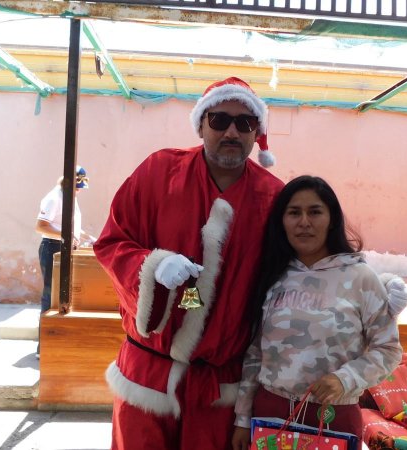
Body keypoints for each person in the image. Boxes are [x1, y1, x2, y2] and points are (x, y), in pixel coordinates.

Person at [92, 77, 285, 449]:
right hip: (147, 378)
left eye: (245, 123)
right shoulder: (157, 172)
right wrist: (151, 266)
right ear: (201, 125)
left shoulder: (274, 198)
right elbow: (111, 243)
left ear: (257, 133)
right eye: (219, 120)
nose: (232, 131)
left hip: (220, 389)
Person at [231, 175, 407, 450]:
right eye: (294, 213)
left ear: (332, 219)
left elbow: (388, 350)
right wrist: (242, 419)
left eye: (315, 212)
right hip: (270, 415)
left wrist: (344, 379)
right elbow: (255, 353)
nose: (304, 222)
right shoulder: (273, 276)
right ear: (282, 221)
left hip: (333, 418)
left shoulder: (360, 278)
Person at [35, 165, 95, 354]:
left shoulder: (69, 197)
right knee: (50, 295)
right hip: (52, 248)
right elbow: (41, 226)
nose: (79, 191)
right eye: (77, 186)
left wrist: (87, 236)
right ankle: (43, 346)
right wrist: (66, 235)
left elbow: (68, 225)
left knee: (64, 295)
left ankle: (59, 340)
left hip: (65, 247)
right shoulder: (54, 198)